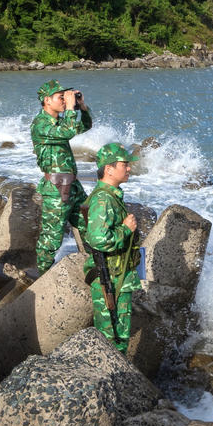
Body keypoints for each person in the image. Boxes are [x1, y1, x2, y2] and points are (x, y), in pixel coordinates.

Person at [81, 142, 141, 352]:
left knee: (115, 337)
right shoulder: (103, 200)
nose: (129, 168)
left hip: (117, 274)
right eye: (124, 164)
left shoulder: (110, 196)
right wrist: (125, 230)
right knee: (114, 340)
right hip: (112, 278)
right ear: (109, 169)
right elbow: (98, 239)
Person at [30, 79, 92, 272]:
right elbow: (68, 132)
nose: (65, 101)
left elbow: (85, 126)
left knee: (90, 226)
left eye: (66, 97)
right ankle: (42, 278)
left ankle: (93, 268)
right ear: (47, 100)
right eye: (61, 97)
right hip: (56, 189)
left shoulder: (59, 122)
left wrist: (82, 107)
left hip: (73, 187)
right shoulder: (40, 124)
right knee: (51, 239)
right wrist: (71, 108)